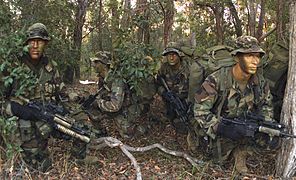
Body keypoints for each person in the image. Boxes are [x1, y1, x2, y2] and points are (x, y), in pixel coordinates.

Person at [2, 23, 92, 172]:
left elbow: (61, 92)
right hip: (22, 117)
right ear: (26, 43)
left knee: (80, 119)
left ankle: (79, 156)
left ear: (46, 44)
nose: (35, 45)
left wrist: (74, 104)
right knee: (41, 165)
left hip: (47, 112)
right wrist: (17, 109)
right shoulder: (13, 66)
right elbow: (2, 100)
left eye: (40, 41)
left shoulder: (50, 66)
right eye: (32, 41)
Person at [192, 36, 274, 174]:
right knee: (219, 157)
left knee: (271, 142)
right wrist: (222, 128)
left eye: (258, 56)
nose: (255, 61)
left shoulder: (260, 82)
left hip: (245, 126)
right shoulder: (217, 79)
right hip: (220, 128)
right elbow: (200, 111)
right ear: (237, 57)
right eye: (249, 56)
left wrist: (265, 128)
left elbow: (267, 107)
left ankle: (241, 152)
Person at [93, 55, 156, 139]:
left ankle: (150, 125)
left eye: (97, 62)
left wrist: (98, 102)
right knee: (92, 108)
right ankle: (99, 131)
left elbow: (115, 106)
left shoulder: (116, 80)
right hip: (121, 105)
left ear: (104, 65)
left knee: (127, 133)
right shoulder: (103, 78)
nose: (93, 64)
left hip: (132, 107)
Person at [157, 42, 192, 134]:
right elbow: (158, 84)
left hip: (186, 101)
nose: (171, 58)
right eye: (169, 55)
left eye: (174, 55)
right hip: (169, 99)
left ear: (179, 55)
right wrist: (163, 92)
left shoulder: (188, 69)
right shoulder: (164, 68)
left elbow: (195, 89)